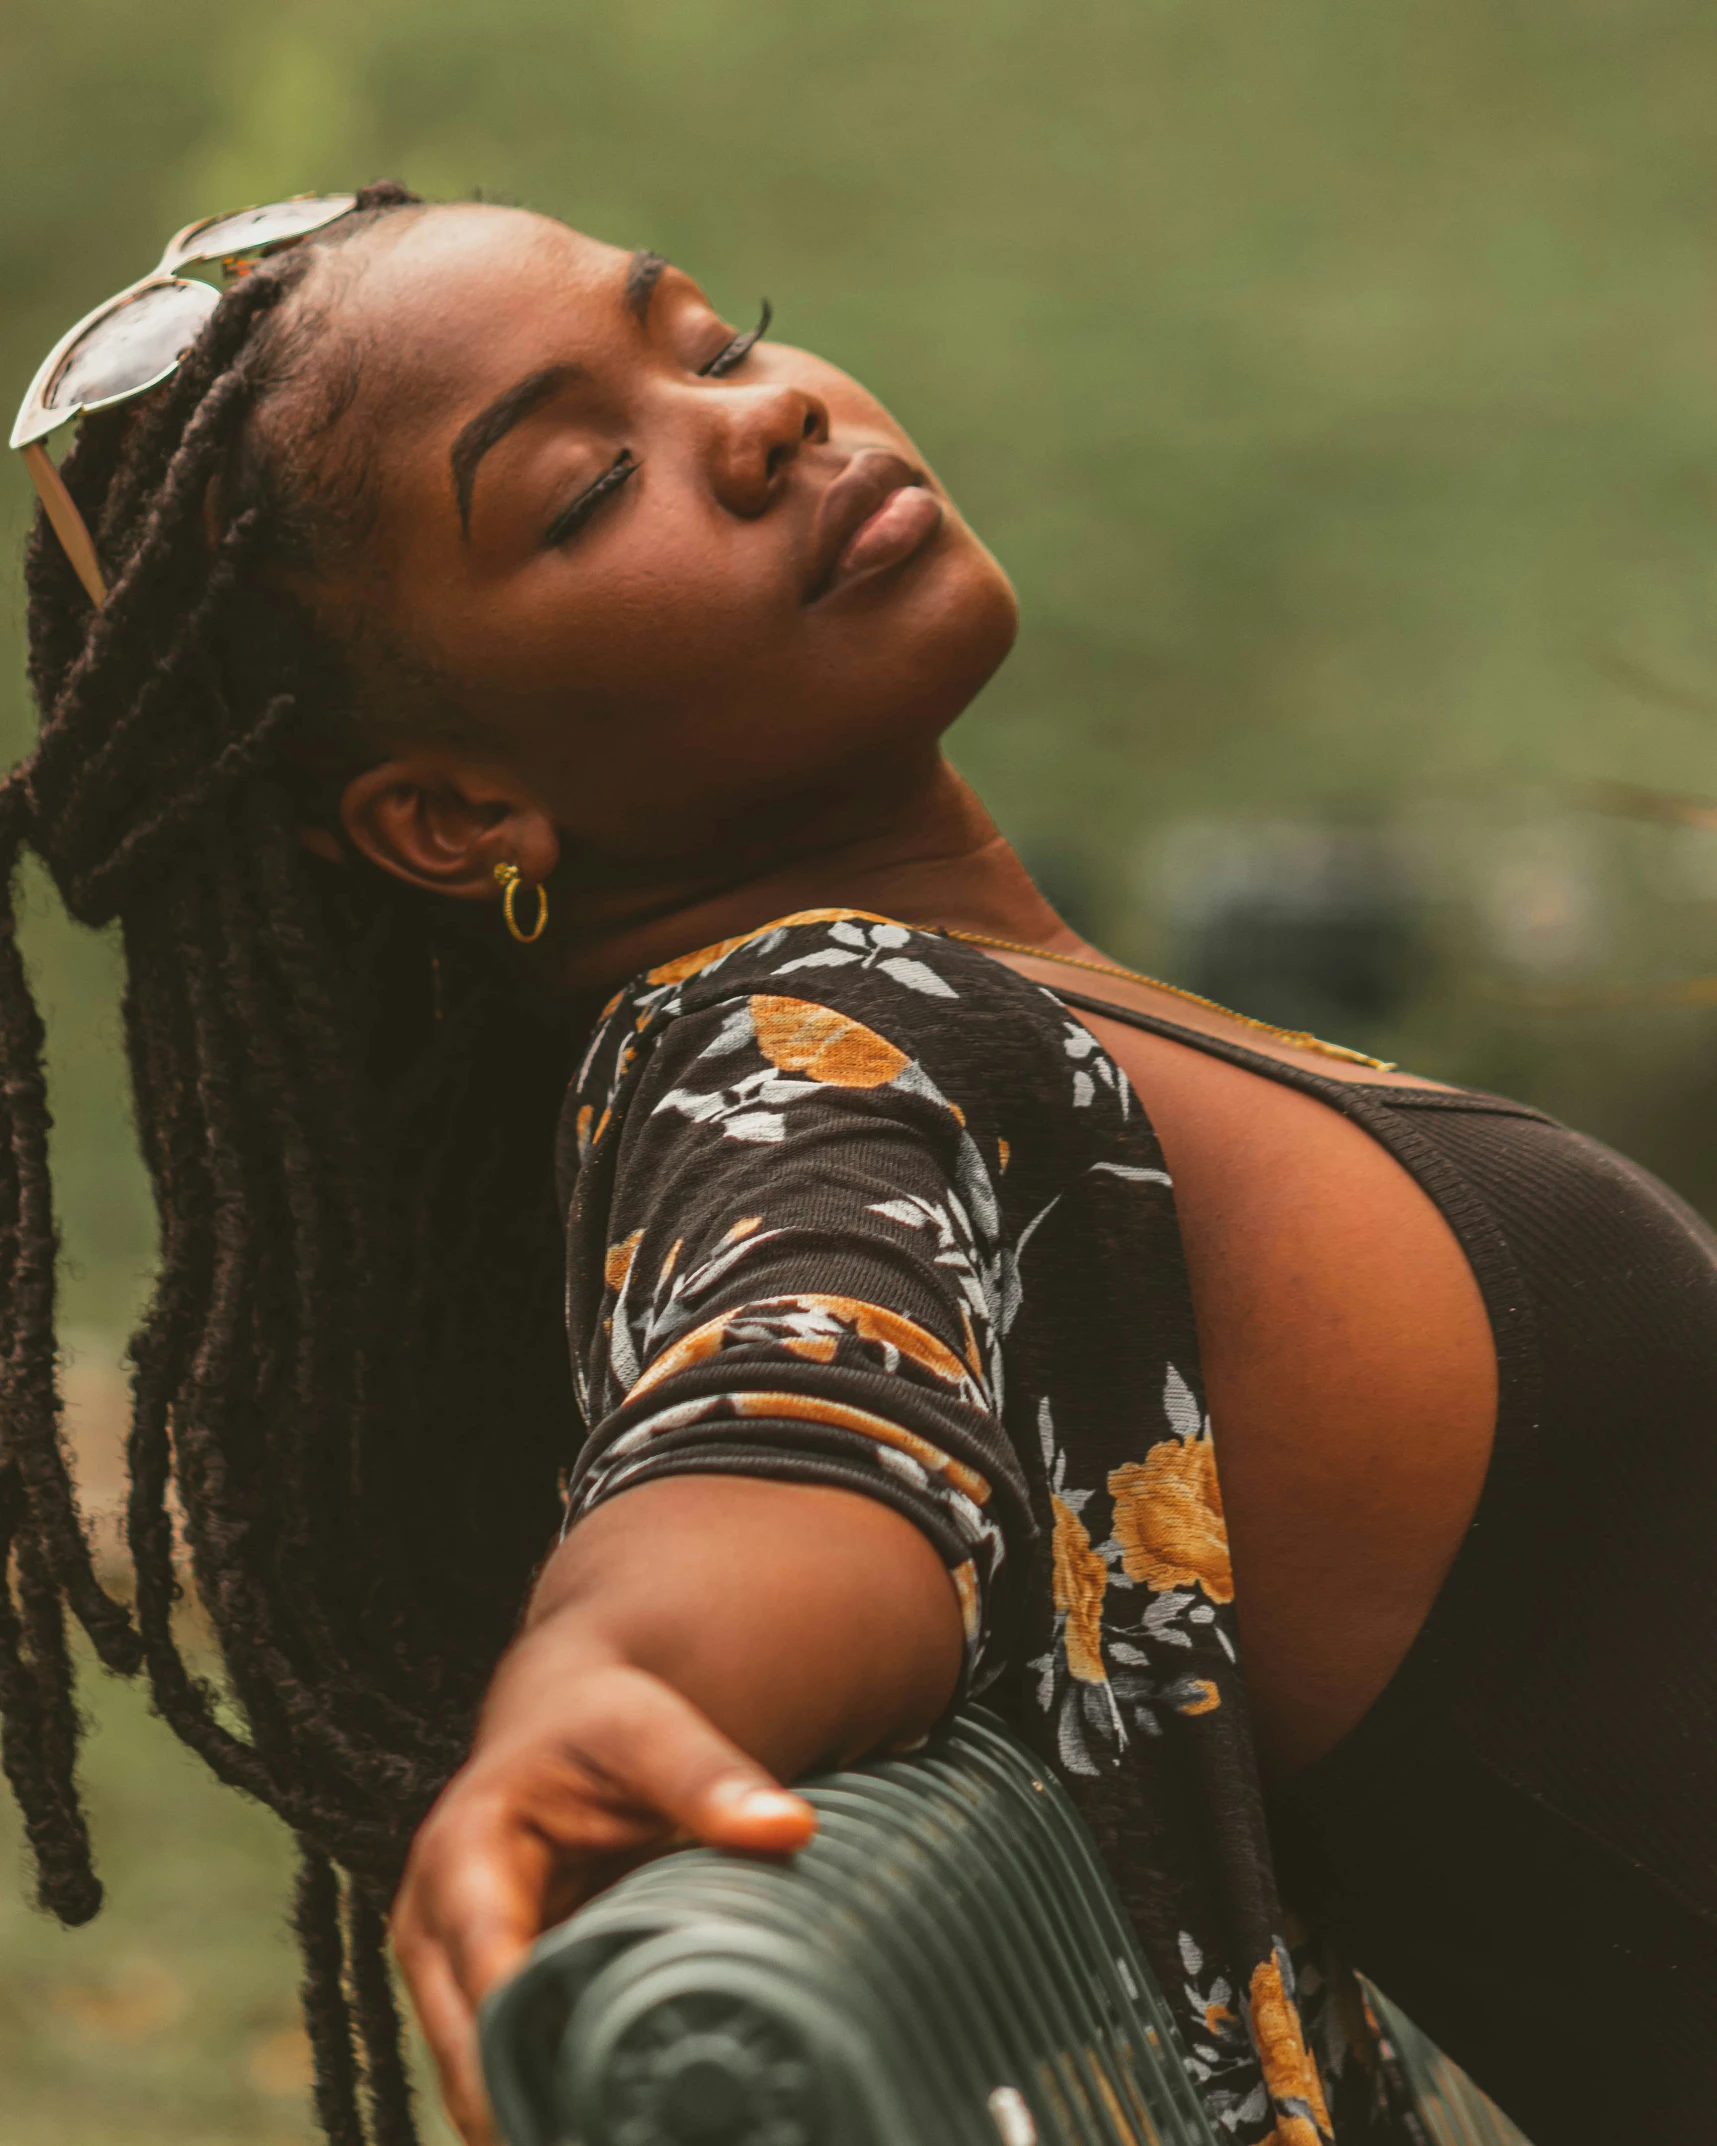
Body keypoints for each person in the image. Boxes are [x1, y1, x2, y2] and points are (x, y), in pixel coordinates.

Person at [2, 184, 1713, 2146]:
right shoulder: (817, 1044)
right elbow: (786, 1417)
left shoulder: (989, 1008)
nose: (762, 419)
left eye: (715, 340)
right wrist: (609, 1684)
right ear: (461, 810)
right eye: (578, 489)